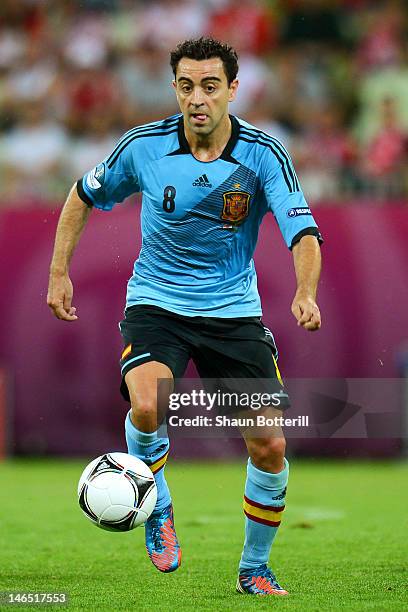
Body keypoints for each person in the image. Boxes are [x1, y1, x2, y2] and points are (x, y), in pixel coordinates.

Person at [47, 37, 322, 596]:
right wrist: (58, 273)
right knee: (148, 403)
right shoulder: (142, 147)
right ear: (175, 88)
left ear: (233, 90)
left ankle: (254, 569)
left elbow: (303, 230)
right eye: (187, 86)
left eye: (211, 86)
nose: (198, 98)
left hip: (234, 311)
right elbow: (81, 195)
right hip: (156, 304)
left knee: (269, 444)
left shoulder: (265, 154)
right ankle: (158, 506)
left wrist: (305, 291)